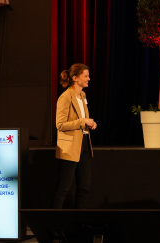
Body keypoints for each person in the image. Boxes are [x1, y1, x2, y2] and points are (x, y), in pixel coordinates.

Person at [52, 63, 97, 209]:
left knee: (85, 187)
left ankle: (80, 224)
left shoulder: (82, 95)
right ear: (75, 78)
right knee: (63, 189)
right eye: (86, 76)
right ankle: (53, 227)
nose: (89, 78)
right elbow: (60, 125)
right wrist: (82, 121)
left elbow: (82, 120)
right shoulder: (65, 97)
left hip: (84, 143)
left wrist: (90, 124)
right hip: (70, 146)